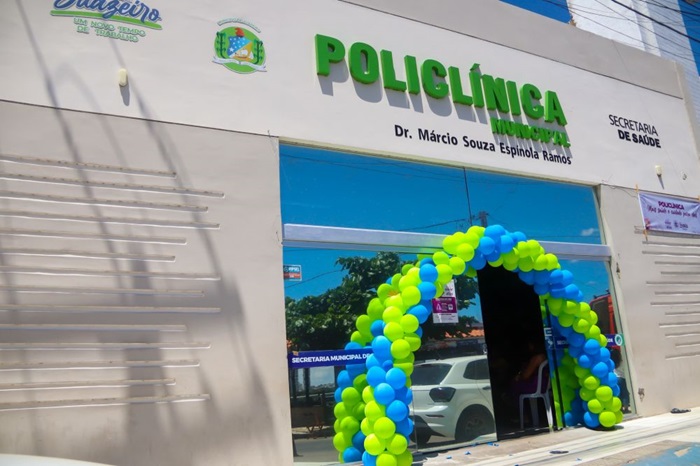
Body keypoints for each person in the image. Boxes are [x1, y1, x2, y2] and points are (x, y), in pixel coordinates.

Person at [610, 348, 631, 413]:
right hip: (622, 378)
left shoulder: (612, 363)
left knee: (618, 393)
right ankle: (626, 408)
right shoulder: (622, 362)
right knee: (625, 393)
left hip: (615, 378)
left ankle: (620, 408)